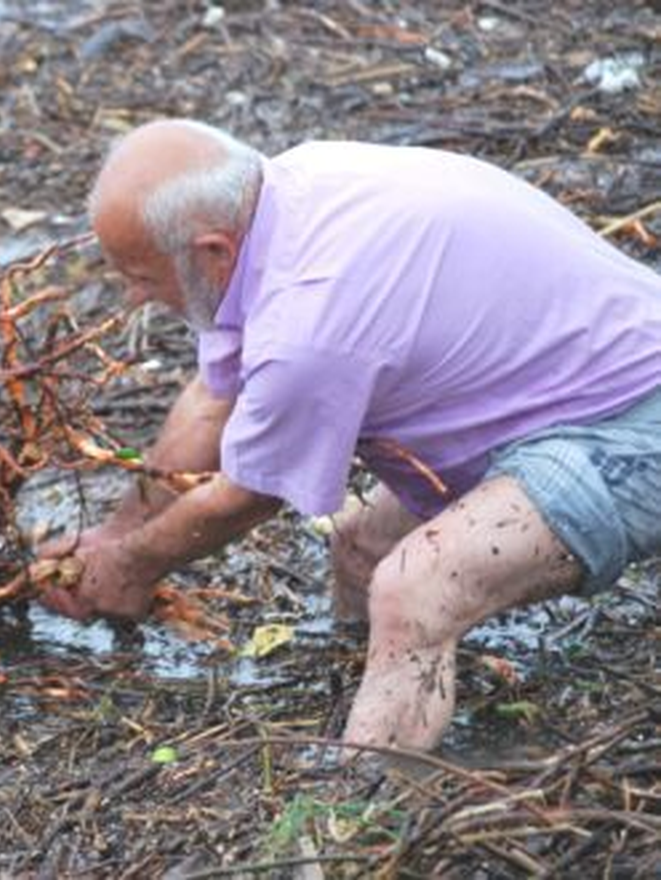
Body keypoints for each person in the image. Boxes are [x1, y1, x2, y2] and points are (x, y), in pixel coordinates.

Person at [36, 118, 661, 752]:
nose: (132, 297)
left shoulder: (309, 325)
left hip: (630, 420)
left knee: (416, 588)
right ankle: (374, 694)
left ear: (212, 252)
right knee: (359, 549)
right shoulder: (286, 190)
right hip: (549, 384)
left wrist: (131, 566)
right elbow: (211, 401)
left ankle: (362, 818)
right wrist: (113, 535)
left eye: (141, 277)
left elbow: (247, 494)